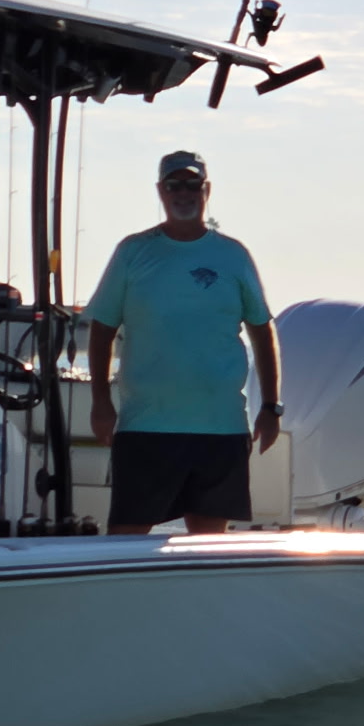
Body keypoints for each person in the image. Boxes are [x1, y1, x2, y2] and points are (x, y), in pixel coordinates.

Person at [84, 150, 281, 536]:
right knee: (126, 541)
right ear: (161, 191)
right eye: (174, 185)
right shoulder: (133, 252)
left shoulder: (233, 255)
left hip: (220, 429)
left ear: (206, 190)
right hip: (145, 428)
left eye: (193, 185)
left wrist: (271, 407)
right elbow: (102, 329)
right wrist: (101, 403)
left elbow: (262, 330)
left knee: (208, 549)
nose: (184, 193)